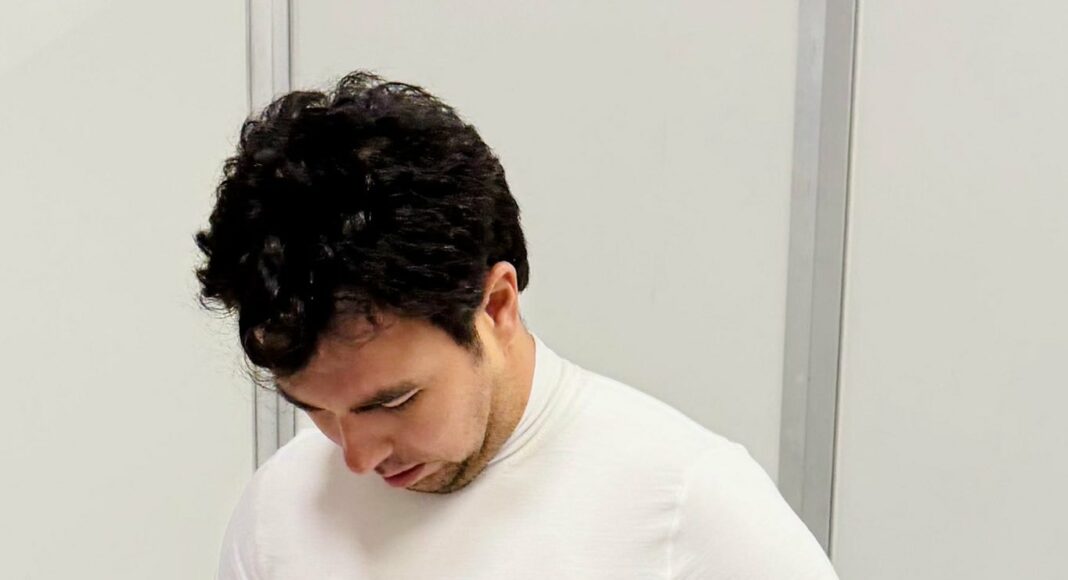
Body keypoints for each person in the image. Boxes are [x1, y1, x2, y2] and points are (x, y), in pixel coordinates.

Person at [195, 71, 839, 579]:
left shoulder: (691, 506)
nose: (357, 458)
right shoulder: (279, 512)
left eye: (393, 401)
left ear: (497, 305)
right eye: (316, 410)